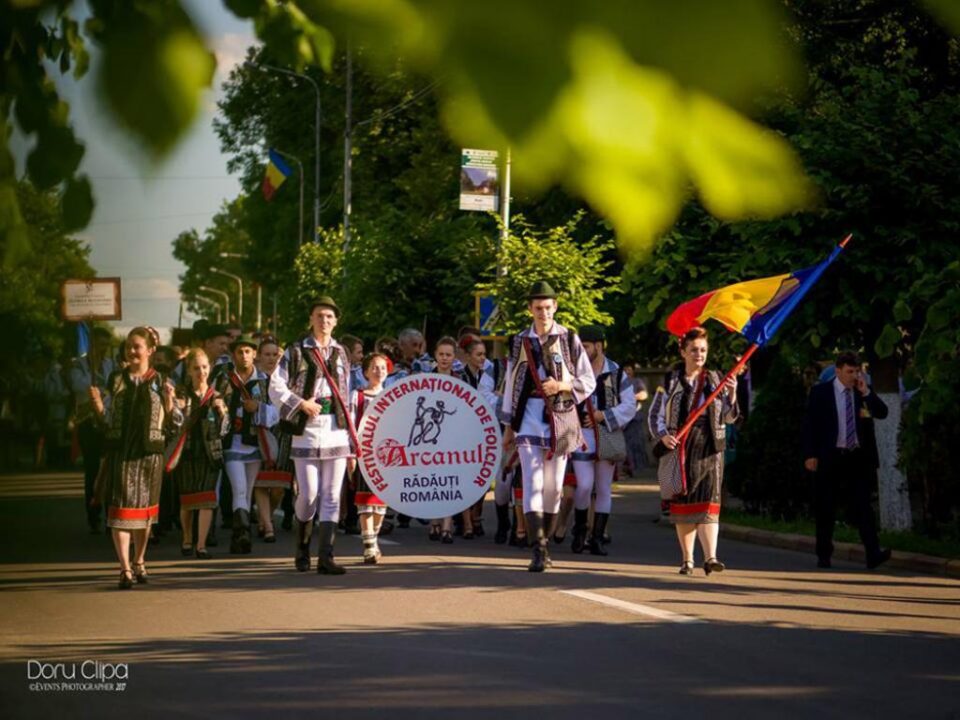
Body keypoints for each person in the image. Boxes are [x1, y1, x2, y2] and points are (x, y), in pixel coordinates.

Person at [500, 281, 596, 572]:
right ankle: (537, 549)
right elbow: (510, 384)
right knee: (533, 480)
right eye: (538, 307)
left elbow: (588, 381)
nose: (543, 312)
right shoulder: (519, 341)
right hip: (527, 416)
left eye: (548, 307)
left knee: (554, 488)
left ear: (555, 307)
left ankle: (547, 544)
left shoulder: (569, 339)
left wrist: (562, 386)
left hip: (561, 415)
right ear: (530, 309)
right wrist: (508, 425)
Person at [269, 296, 358, 575]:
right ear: (311, 319)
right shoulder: (295, 350)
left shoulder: (341, 352)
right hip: (306, 428)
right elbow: (275, 386)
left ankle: (326, 557)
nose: (324, 321)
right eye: (319, 315)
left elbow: (347, 396)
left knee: (332, 495)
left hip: (336, 428)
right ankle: (302, 547)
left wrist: (353, 440)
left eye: (330, 316)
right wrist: (300, 403)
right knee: (308, 494)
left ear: (336, 321)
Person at [89, 327, 180, 589]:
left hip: (149, 455)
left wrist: (170, 402)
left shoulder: (162, 380)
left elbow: (174, 424)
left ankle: (139, 560)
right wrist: (97, 406)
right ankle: (124, 568)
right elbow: (105, 422)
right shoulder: (115, 380)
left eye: (137, 346)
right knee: (119, 512)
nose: (131, 351)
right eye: (128, 346)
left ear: (150, 350)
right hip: (121, 453)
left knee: (143, 515)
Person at [649, 327, 738, 576]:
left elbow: (729, 417)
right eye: (694, 350)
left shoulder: (716, 378)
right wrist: (663, 437)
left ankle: (710, 557)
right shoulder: (670, 381)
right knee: (684, 503)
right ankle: (687, 560)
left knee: (709, 502)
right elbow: (654, 415)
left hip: (710, 448)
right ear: (683, 351)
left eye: (703, 350)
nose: (699, 355)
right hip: (681, 448)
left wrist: (732, 392)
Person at [803, 351, 891, 570]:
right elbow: (809, 425)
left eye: (857, 371)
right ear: (838, 370)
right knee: (826, 508)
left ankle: (873, 553)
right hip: (830, 456)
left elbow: (883, 412)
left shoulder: (861, 392)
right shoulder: (821, 392)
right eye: (850, 371)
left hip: (856, 458)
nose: (854, 376)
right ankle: (824, 554)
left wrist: (867, 392)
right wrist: (810, 454)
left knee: (864, 507)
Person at [570, 325, 636, 555]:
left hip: (607, 435)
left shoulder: (617, 373)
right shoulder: (574, 372)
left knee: (604, 488)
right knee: (585, 485)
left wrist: (602, 416)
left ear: (599, 346)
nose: (581, 351)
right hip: (581, 436)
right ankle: (579, 530)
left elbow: (629, 406)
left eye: (585, 347)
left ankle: (596, 538)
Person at [214, 334, 278, 554]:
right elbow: (212, 403)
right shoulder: (223, 379)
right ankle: (241, 534)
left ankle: (242, 535)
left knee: (248, 491)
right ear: (233, 355)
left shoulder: (264, 381)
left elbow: (276, 413)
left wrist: (257, 409)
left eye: (248, 351)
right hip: (232, 442)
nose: (244, 356)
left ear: (254, 355)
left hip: (255, 444)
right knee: (239, 488)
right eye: (240, 352)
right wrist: (220, 407)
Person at [170, 349, 228, 559]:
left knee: (207, 500)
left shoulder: (216, 395)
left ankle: (201, 545)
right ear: (189, 370)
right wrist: (177, 407)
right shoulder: (181, 394)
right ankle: (187, 538)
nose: (201, 372)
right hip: (187, 453)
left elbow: (225, 429)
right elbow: (175, 424)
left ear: (210, 368)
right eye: (196, 368)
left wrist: (221, 412)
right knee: (187, 501)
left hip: (210, 454)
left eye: (204, 367)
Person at [69, 327, 115, 533]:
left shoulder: (110, 365)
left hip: (106, 419)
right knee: (93, 469)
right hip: (87, 420)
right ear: (91, 344)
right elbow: (80, 387)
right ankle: (93, 513)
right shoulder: (78, 365)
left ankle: (110, 515)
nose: (103, 350)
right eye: (99, 345)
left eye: (106, 345)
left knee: (110, 470)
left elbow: (115, 388)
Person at [352, 352, 391, 563]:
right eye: (375, 367)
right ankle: (369, 546)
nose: (379, 371)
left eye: (383, 367)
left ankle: (373, 538)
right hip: (363, 453)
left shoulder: (394, 395)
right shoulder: (357, 396)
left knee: (381, 502)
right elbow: (350, 423)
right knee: (364, 498)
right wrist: (351, 452)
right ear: (366, 372)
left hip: (387, 455)